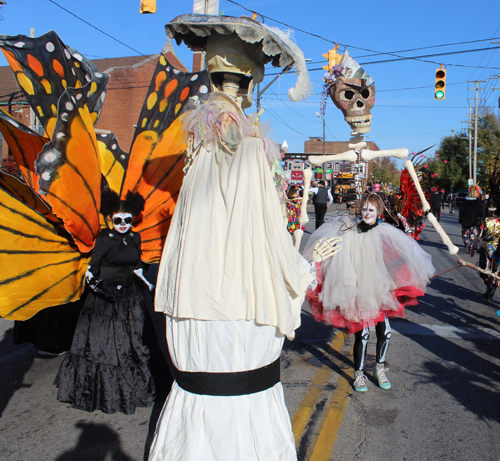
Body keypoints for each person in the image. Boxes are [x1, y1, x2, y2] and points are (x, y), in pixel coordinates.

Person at [303, 193, 434, 392]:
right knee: (362, 333)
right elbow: (339, 258)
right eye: (364, 209)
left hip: (379, 288)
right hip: (357, 288)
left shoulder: (385, 231)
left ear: (379, 212)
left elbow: (398, 254)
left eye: (371, 210)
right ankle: (359, 374)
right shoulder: (350, 230)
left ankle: (379, 369)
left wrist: (399, 274)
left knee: (386, 332)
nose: (367, 213)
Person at [55, 190, 158, 414]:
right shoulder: (103, 240)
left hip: (130, 297)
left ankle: (136, 388)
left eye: (127, 220)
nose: (122, 224)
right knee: (102, 347)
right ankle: (102, 392)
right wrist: (96, 286)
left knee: (134, 343)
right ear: (110, 220)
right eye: (118, 220)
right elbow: (91, 270)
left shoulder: (135, 238)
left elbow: (137, 265)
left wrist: (147, 283)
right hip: (105, 300)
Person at [459, 186, 485, 254]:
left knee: (464, 233)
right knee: (472, 234)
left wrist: (460, 218)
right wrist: (481, 218)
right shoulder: (478, 202)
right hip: (474, 220)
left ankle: (466, 242)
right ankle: (471, 246)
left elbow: (461, 210)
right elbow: (481, 211)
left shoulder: (465, 200)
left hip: (465, 219)